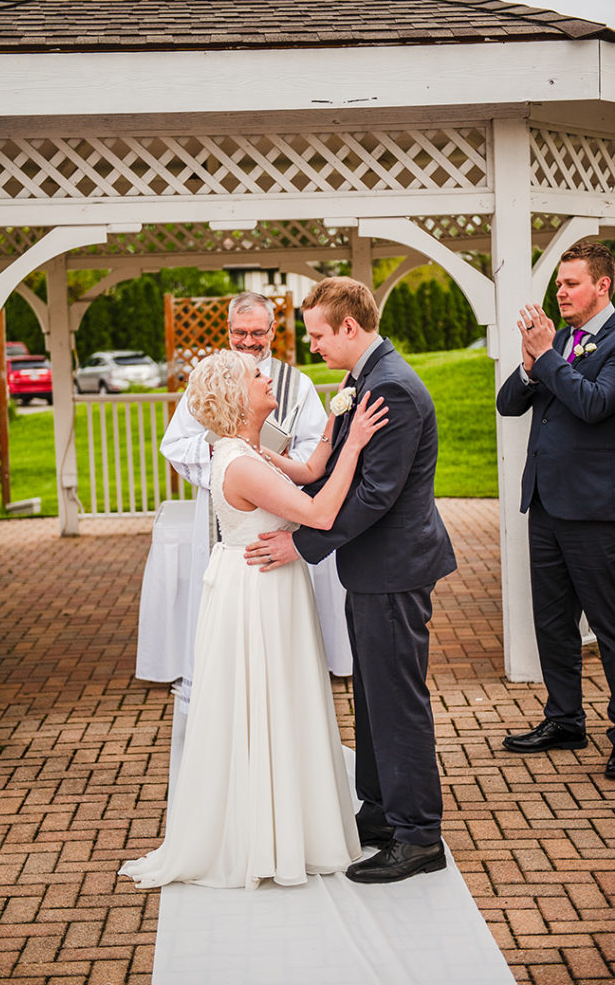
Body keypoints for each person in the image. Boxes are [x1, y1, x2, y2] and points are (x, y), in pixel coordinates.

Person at [119, 349, 388, 890]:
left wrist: (335, 426)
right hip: (257, 592)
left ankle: (283, 822)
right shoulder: (240, 462)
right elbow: (319, 512)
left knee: (275, 700)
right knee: (266, 699)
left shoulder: (246, 449)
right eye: (257, 375)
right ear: (239, 396)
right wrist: (357, 445)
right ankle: (266, 835)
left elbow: (311, 471)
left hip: (264, 586)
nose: (268, 376)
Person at [245, 276, 457, 884]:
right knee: (371, 695)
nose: (310, 345)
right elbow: (338, 468)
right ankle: (382, 811)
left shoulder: (391, 387)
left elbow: (377, 494)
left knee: (397, 701)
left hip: (394, 568)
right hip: (372, 568)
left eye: (316, 334)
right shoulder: (363, 380)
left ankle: (419, 837)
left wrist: (301, 542)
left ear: (348, 327)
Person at [150, 291, 328, 704]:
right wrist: (225, 454)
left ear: (272, 331)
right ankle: (223, 678)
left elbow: (313, 447)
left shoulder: (295, 384)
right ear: (228, 331)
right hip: (227, 503)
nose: (248, 341)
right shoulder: (210, 376)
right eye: (239, 332)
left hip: (280, 505)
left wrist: (274, 464)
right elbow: (175, 444)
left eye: (257, 333)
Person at [496, 241, 615, 779]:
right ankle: (564, 717)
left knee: (609, 625)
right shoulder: (560, 339)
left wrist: (546, 359)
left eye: (571, 283)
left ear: (602, 286)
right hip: (544, 502)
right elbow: (510, 404)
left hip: (596, 509)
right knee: (552, 621)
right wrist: (529, 366)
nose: (560, 293)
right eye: (559, 284)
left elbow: (593, 405)